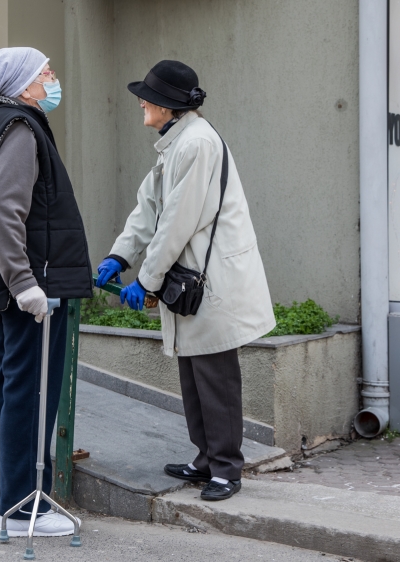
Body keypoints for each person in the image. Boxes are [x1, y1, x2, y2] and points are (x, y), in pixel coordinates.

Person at [96, 60, 275, 501]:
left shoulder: (196, 144)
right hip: (194, 278)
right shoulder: (176, 142)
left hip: (211, 281)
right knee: (194, 374)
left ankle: (227, 468)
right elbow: (148, 207)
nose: (141, 102)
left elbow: (176, 222)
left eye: (147, 97)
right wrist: (120, 255)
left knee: (215, 377)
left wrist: (146, 280)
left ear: (168, 106)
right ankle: (206, 459)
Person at [0, 47, 92, 536]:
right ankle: (22, 509)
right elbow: (4, 210)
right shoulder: (20, 129)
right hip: (33, 288)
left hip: (15, 285)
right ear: (23, 85)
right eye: (45, 73)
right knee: (31, 392)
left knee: (5, 386)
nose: (52, 78)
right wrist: (24, 283)